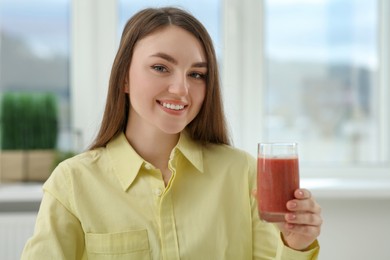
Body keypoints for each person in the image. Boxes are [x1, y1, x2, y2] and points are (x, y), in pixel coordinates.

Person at [21, 7, 322, 259]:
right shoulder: (72, 183)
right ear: (124, 77)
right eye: (161, 68)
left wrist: (296, 245)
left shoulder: (244, 174)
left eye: (196, 74)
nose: (181, 89)